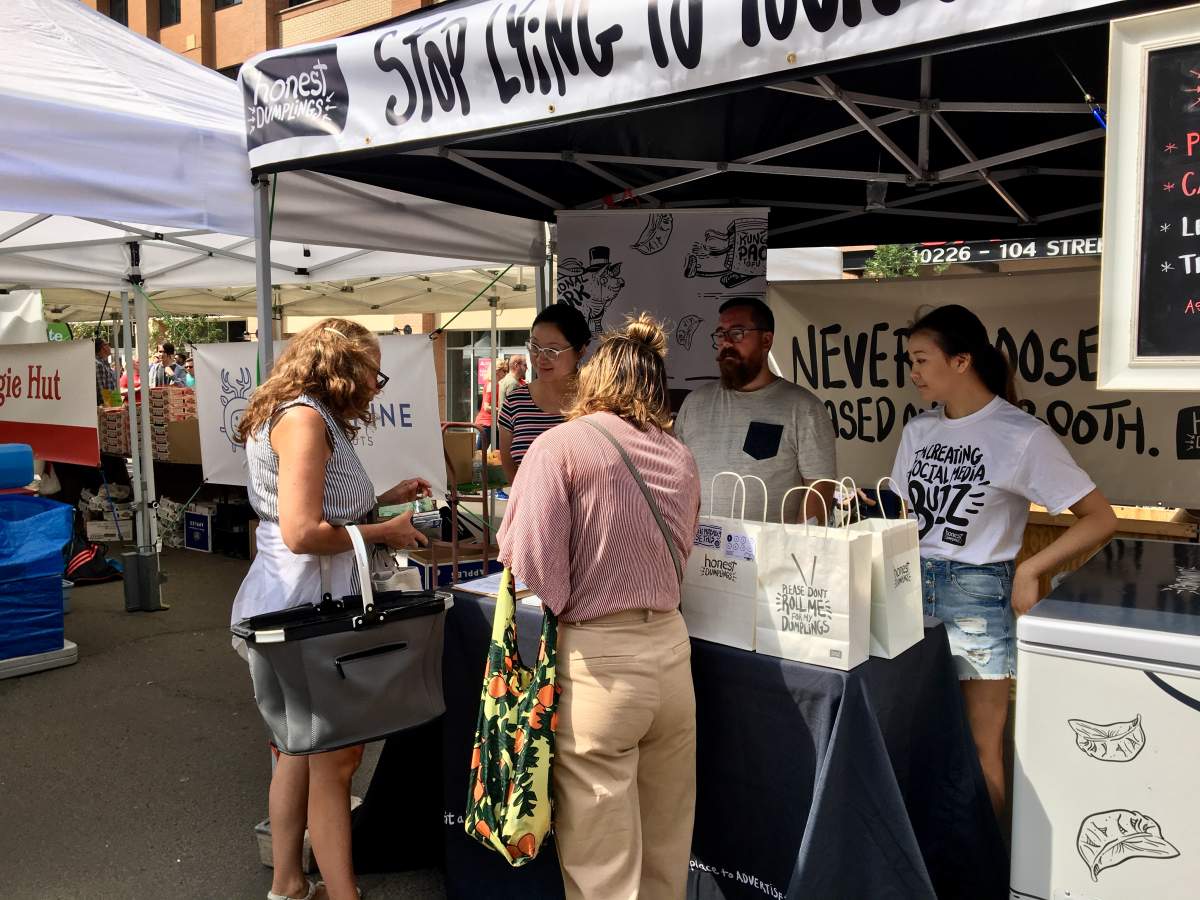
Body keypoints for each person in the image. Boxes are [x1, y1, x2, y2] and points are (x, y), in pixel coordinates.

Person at [499, 315, 700, 900]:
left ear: (594, 378)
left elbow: (529, 563)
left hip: (600, 660)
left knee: (602, 866)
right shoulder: (678, 454)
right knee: (667, 849)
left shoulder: (560, 445)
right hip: (671, 651)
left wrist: (571, 599)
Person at [231, 318, 432, 900]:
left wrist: (380, 501)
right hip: (307, 604)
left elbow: (317, 509)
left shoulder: (303, 415)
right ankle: (343, 894)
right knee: (333, 761)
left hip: (297, 599)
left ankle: (290, 884)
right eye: (373, 371)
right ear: (342, 368)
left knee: (298, 750)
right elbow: (301, 531)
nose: (377, 385)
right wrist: (383, 533)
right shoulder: (304, 421)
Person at [889, 304, 1116, 818]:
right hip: (908, 587)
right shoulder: (918, 432)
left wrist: (1031, 569)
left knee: (979, 746)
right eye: (911, 361)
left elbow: (1099, 517)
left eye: (922, 359)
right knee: (917, 736)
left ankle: (985, 872)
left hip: (977, 592)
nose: (914, 373)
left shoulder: (1021, 435)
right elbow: (900, 513)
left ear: (962, 360)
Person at [674, 296, 837, 523]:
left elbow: (819, 488)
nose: (726, 343)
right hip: (696, 552)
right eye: (721, 334)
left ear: (766, 340)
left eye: (737, 333)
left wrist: (799, 551)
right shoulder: (694, 404)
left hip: (769, 555)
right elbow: (675, 478)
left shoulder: (804, 409)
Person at [498, 304, 591, 483]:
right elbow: (512, 473)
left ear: (580, 350)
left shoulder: (598, 402)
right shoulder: (515, 403)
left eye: (552, 350)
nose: (540, 358)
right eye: (535, 347)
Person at [473, 361, 508, 450]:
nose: (506, 373)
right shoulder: (491, 385)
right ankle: (477, 464)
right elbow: (487, 407)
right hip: (487, 423)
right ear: (497, 371)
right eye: (504, 371)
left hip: (494, 422)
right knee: (481, 451)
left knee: (498, 450)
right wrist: (500, 409)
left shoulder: (497, 384)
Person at [94, 338, 117, 404]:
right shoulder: (98, 364)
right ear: (103, 347)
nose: (110, 347)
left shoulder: (104, 363)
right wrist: (115, 405)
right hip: (108, 406)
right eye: (108, 344)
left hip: (112, 403)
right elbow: (102, 391)